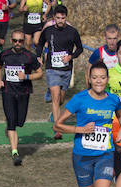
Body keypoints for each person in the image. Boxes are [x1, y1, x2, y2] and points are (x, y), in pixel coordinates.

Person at [0, 29, 44, 165]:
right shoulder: (4, 54)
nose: (17, 43)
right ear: (11, 41)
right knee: (11, 121)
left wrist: (27, 76)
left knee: (20, 121)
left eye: (20, 41)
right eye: (15, 41)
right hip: (8, 92)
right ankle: (15, 152)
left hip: (24, 92)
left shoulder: (29, 57)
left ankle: (10, 127)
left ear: (24, 41)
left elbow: (40, 73)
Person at [37, 4, 83, 140]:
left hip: (66, 70)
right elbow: (39, 44)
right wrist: (38, 56)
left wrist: (71, 56)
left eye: (63, 18)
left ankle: (54, 114)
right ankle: (57, 128)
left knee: (61, 99)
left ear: (66, 18)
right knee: (56, 98)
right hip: (52, 68)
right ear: (54, 18)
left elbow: (80, 48)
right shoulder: (48, 31)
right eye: (58, 18)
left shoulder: (72, 32)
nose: (61, 21)